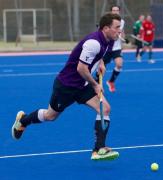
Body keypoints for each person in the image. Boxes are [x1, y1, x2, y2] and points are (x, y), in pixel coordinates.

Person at [11, 13, 121, 161]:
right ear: (106, 28)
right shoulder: (94, 42)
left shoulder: (108, 40)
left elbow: (99, 54)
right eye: (117, 27)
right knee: (50, 116)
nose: (119, 30)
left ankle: (98, 149)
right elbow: (81, 68)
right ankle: (23, 120)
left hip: (82, 85)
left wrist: (100, 63)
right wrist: (95, 85)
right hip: (66, 85)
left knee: (105, 108)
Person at [103, 5, 128, 92]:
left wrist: (123, 39)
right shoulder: (106, 21)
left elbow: (122, 32)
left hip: (117, 48)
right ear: (111, 12)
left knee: (119, 64)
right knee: (102, 68)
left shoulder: (122, 22)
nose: (115, 12)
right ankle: (95, 83)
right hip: (107, 48)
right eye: (114, 10)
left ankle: (111, 81)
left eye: (117, 10)